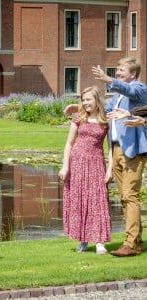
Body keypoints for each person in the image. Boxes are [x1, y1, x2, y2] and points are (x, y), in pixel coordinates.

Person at [65, 57, 147, 256]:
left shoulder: (138, 88)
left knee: (130, 196)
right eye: (117, 70)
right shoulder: (117, 95)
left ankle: (130, 244)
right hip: (118, 150)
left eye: (121, 70)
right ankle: (136, 241)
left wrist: (108, 79)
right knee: (124, 197)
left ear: (133, 73)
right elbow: (103, 111)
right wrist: (79, 108)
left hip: (133, 150)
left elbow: (132, 92)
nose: (118, 72)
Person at [58, 86, 112, 255]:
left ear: (97, 100)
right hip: (77, 163)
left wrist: (110, 169)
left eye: (88, 99)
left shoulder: (106, 120)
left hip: (96, 164)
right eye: (83, 100)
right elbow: (69, 144)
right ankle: (83, 240)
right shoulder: (79, 118)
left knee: (97, 201)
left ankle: (99, 242)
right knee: (80, 201)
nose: (85, 103)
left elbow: (111, 147)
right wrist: (65, 165)